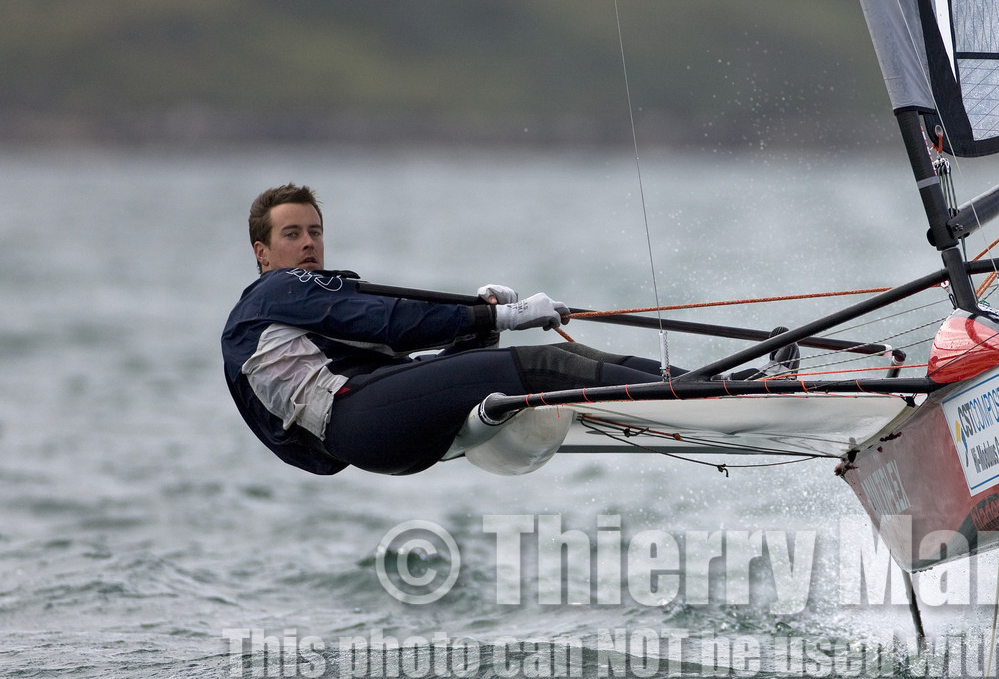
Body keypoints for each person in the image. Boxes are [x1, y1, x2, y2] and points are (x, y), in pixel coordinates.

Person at [221, 183, 679, 476]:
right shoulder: (274, 291)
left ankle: (694, 384)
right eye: (292, 234)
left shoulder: (299, 316)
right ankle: (690, 394)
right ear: (262, 252)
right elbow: (391, 323)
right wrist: (500, 316)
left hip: (370, 430)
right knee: (544, 363)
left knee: (561, 363)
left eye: (315, 231)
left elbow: (409, 368)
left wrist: (478, 327)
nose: (308, 243)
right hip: (357, 420)